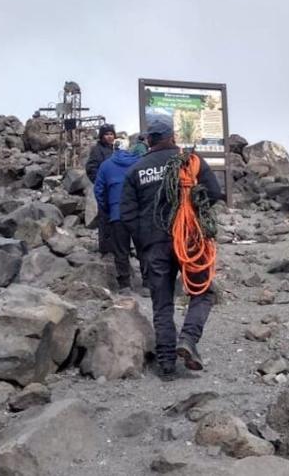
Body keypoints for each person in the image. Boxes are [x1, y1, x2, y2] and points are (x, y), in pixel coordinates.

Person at [120, 115, 222, 381]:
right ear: (172, 136)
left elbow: (127, 215)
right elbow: (213, 192)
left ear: (150, 140)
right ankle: (188, 339)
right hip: (190, 240)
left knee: (162, 302)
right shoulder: (191, 162)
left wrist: (143, 244)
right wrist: (195, 214)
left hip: (154, 245)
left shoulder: (136, 171)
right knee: (203, 292)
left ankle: (166, 363)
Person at [93, 139, 145, 293]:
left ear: (114, 149)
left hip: (117, 214)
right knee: (143, 249)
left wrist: (107, 208)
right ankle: (147, 284)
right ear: (128, 149)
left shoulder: (106, 165)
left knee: (121, 250)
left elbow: (99, 190)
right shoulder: (139, 163)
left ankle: (125, 285)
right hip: (137, 213)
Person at [87, 124, 117, 255]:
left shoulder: (114, 149)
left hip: (115, 190)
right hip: (105, 190)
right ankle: (105, 249)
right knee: (105, 219)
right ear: (101, 136)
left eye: (111, 134)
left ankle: (116, 248)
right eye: (106, 134)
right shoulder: (97, 150)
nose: (109, 136)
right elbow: (91, 169)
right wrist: (100, 184)